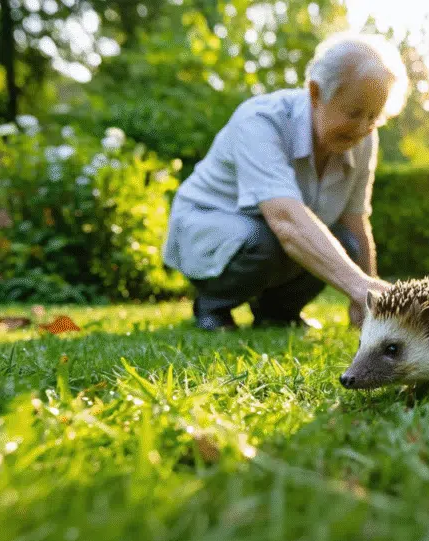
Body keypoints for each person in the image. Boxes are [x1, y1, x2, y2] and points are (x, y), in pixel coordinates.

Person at [162, 32, 409, 331]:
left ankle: (277, 313)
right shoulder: (260, 121)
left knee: (345, 242)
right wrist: (359, 284)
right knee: (265, 240)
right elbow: (285, 220)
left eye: (374, 116)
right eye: (354, 112)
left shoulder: (364, 138)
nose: (363, 128)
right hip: (208, 227)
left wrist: (366, 303)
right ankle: (212, 305)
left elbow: (356, 220)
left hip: (272, 233)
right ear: (316, 94)